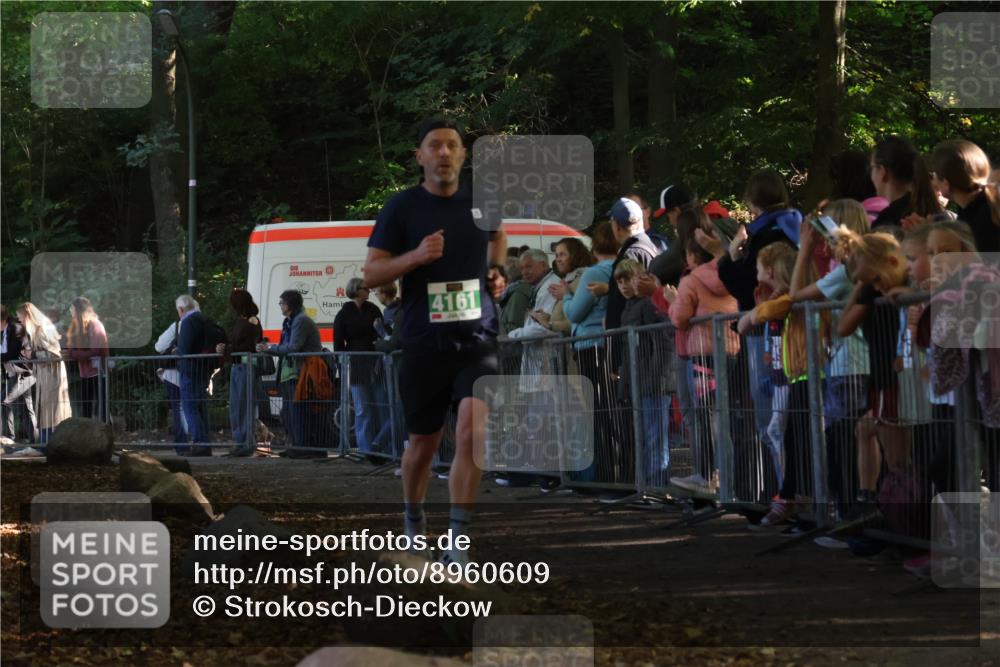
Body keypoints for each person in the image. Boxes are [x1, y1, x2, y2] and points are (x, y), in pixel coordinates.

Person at [363, 117, 506, 566]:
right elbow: (371, 273)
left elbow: (499, 237)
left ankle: (457, 541)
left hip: (477, 339)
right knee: (422, 446)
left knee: (471, 433)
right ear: (419, 156)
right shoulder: (402, 208)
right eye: (434, 146)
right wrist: (416, 256)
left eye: (452, 145)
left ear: (463, 154)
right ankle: (414, 520)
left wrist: (495, 271)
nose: (444, 152)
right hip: (424, 342)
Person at [665, 237, 740, 495]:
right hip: (732, 350)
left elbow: (680, 318)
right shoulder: (731, 271)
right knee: (726, 416)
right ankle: (728, 478)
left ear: (693, 256)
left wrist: (671, 301)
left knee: (707, 417)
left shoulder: (692, 280)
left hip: (703, 357)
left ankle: (710, 477)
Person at [561, 221, 618, 481]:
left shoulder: (596, 272)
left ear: (595, 245)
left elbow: (575, 312)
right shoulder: (620, 267)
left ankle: (604, 474)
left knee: (598, 411)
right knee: (608, 408)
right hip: (608, 345)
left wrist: (566, 295)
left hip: (590, 346)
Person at [618, 260, 674, 483]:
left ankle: (657, 486)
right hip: (639, 379)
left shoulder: (648, 304)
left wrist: (657, 378)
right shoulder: (629, 307)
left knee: (654, 437)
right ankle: (648, 485)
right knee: (645, 437)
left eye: (628, 280)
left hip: (653, 381)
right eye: (619, 281)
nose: (624, 286)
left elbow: (662, 342)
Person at [256, 289, 326, 458]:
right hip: (292, 373)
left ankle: (303, 447)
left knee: (298, 411)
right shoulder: (291, 321)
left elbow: (293, 347)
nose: (280, 306)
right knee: (289, 411)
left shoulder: (300, 321)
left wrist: (269, 348)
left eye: (281, 303)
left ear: (288, 305)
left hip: (301, 373)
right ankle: (296, 445)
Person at [334, 277, 388, 455]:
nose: (369, 291)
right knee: (362, 409)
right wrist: (342, 366)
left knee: (382, 406)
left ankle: (383, 448)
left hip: (376, 364)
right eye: (365, 288)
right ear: (356, 291)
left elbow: (383, 333)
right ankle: (365, 449)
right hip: (356, 365)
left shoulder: (374, 309)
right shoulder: (343, 314)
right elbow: (338, 343)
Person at [595, 197, 662, 331]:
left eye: (611, 222)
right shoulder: (650, 246)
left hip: (632, 333)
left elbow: (625, 297)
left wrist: (613, 324)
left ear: (617, 226)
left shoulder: (630, 254)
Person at [929, 139, 1000, 255]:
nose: (934, 182)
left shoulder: (982, 220)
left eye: (934, 176)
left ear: (946, 184)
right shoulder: (979, 207)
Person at [216, 288, 265, 456]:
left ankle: (245, 442)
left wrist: (226, 349)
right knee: (237, 406)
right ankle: (240, 442)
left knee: (243, 406)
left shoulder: (251, 322)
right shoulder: (243, 321)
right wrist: (226, 348)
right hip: (238, 366)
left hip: (245, 367)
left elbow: (248, 346)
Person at [16, 303, 70, 452]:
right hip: (45, 377)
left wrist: (32, 355)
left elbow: (55, 354)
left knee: (52, 413)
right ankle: (45, 445)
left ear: (28, 317)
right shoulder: (36, 331)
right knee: (46, 412)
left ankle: (48, 446)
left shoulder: (44, 330)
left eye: (21, 319)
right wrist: (29, 357)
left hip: (52, 377)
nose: (20, 323)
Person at [869, 136, 942, 229]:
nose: (871, 175)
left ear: (883, 171)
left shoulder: (888, 220)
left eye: (872, 167)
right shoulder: (932, 211)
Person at [174, 295, 213, 456]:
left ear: (181, 309)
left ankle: (200, 443)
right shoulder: (204, 319)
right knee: (199, 407)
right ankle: (205, 444)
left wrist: (177, 351)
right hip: (202, 369)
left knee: (189, 406)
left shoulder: (188, 322)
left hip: (190, 370)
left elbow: (184, 349)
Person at [65, 297, 109, 420]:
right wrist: (70, 351)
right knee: (86, 406)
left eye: (72, 308)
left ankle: (105, 428)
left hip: (98, 371)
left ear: (79, 310)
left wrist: (73, 354)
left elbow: (95, 350)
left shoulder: (95, 325)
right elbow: (72, 346)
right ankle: (86, 430)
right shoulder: (78, 326)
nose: (70, 311)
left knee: (102, 406)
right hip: (85, 373)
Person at [1, 305, 38, 446]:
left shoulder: (16, 329)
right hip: (15, 373)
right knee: (25, 407)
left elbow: (12, 353)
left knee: (4, 401)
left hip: (23, 373)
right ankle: (34, 441)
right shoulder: (6, 330)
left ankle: (9, 437)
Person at [547, 238, 595, 335]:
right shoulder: (569, 280)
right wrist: (547, 317)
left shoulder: (583, 278)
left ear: (575, 255)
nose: (558, 260)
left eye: (563, 255)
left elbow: (577, 319)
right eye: (556, 256)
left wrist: (551, 325)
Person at [154, 318, 188, 453]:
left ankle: (182, 443)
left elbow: (159, 346)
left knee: (178, 408)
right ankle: (198, 442)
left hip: (173, 374)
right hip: (193, 372)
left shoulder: (177, 325)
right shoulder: (202, 323)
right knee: (191, 407)